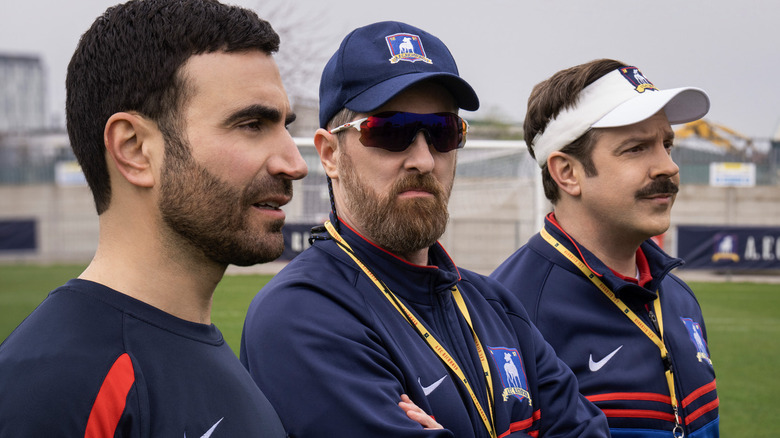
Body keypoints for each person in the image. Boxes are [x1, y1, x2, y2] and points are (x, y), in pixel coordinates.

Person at [240, 21, 609, 438]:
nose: (424, 160)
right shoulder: (301, 315)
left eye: (442, 132)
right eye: (390, 131)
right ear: (329, 154)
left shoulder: (494, 305)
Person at [0, 0, 307, 436]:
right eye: (252, 124)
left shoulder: (211, 355)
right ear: (134, 149)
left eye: (285, 127)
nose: (294, 163)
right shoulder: (54, 386)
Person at [491, 59, 719, 437]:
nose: (668, 167)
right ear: (567, 172)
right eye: (635, 149)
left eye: (666, 144)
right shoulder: (510, 313)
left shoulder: (677, 296)